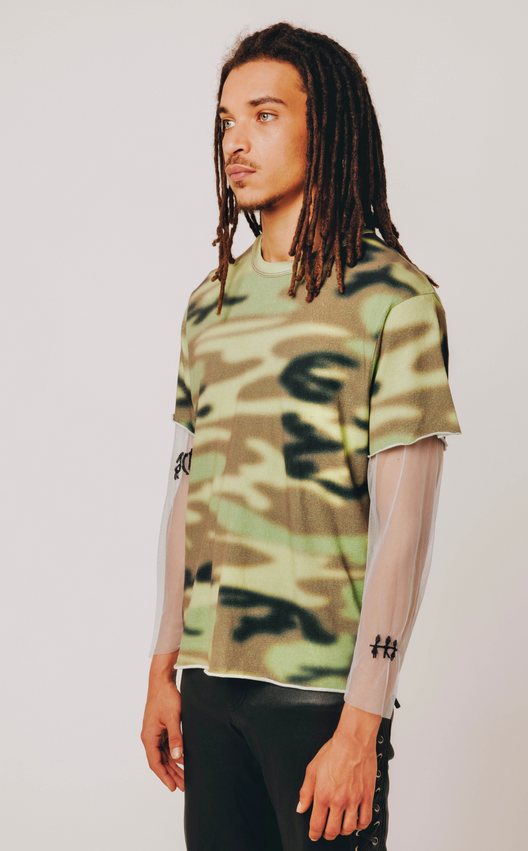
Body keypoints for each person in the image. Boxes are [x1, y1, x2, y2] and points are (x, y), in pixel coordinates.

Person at [141, 22, 461, 851]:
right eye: (226, 120)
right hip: (207, 689)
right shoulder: (209, 304)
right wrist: (163, 662)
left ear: (328, 128)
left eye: (264, 114)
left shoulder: (394, 302)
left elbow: (402, 531)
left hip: (320, 701)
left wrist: (362, 722)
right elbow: (184, 493)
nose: (234, 141)